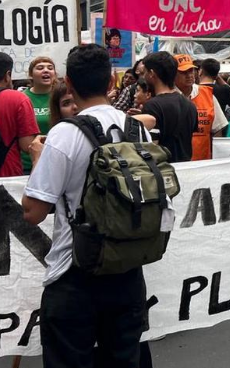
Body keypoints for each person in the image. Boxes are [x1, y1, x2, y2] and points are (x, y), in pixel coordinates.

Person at [21, 44, 151, 368]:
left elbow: (32, 212)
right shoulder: (139, 129)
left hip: (74, 275)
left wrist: (38, 158)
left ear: (69, 82)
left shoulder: (63, 135)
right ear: (111, 82)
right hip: (129, 271)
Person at [133, 51, 197, 163]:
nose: (144, 77)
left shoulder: (152, 106)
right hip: (186, 170)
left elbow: (152, 149)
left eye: (145, 73)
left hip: (164, 172)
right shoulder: (190, 105)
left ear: (152, 73)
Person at [174, 54, 228, 161]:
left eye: (191, 71)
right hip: (176, 162)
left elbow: (218, 130)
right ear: (173, 74)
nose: (189, 75)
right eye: (184, 72)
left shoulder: (207, 95)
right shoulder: (168, 97)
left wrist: (216, 157)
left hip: (203, 162)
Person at [20, 56, 58, 174]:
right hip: (27, 163)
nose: (46, 70)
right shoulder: (21, 98)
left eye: (50, 68)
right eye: (40, 68)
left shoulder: (61, 96)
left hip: (56, 160)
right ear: (31, 75)